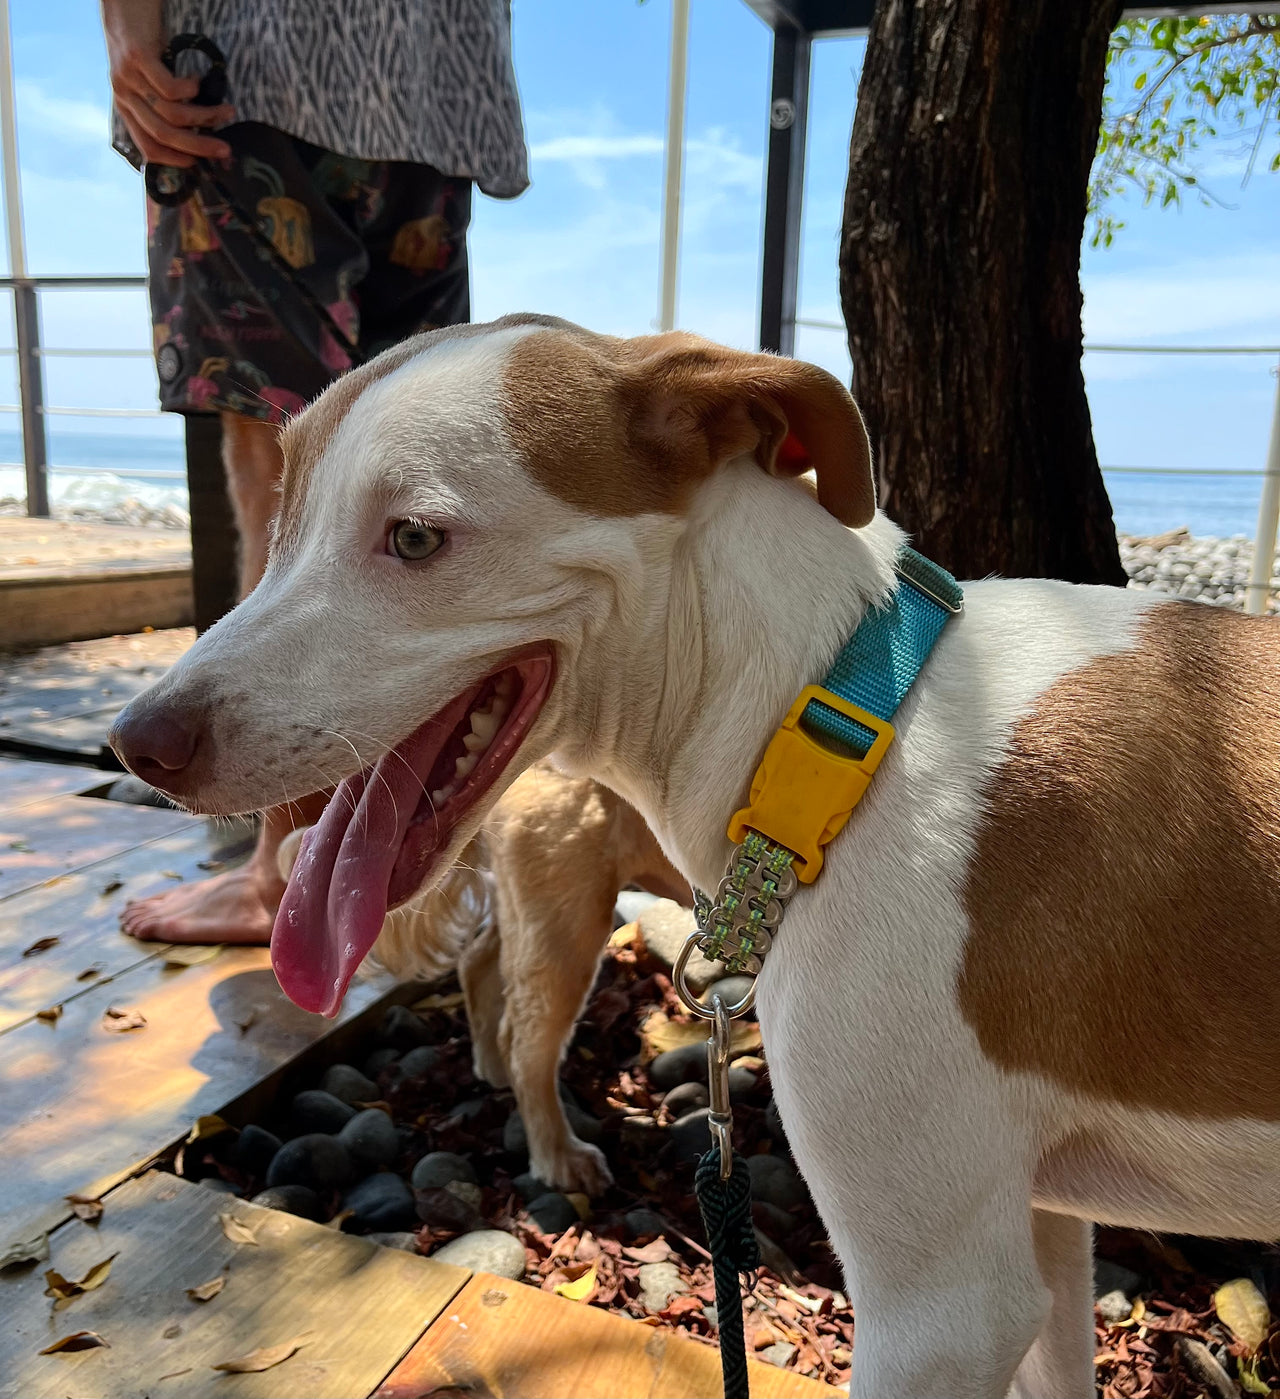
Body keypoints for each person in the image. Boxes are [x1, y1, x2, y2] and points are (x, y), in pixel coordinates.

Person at [102, 0, 528, 943]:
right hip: (436, 91)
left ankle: (280, 875)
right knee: (400, 469)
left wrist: (126, 28)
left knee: (279, 463)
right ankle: (372, 855)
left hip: (253, 76)